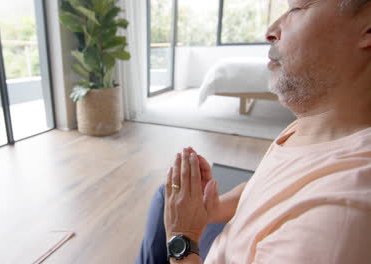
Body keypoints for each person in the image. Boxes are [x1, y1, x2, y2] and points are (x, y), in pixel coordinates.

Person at [136, 0, 371, 263]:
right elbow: (263, 189)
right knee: (165, 195)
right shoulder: (317, 125)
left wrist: (182, 235)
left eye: (297, 9)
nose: (270, 31)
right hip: (234, 241)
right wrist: (212, 209)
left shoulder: (335, 224)